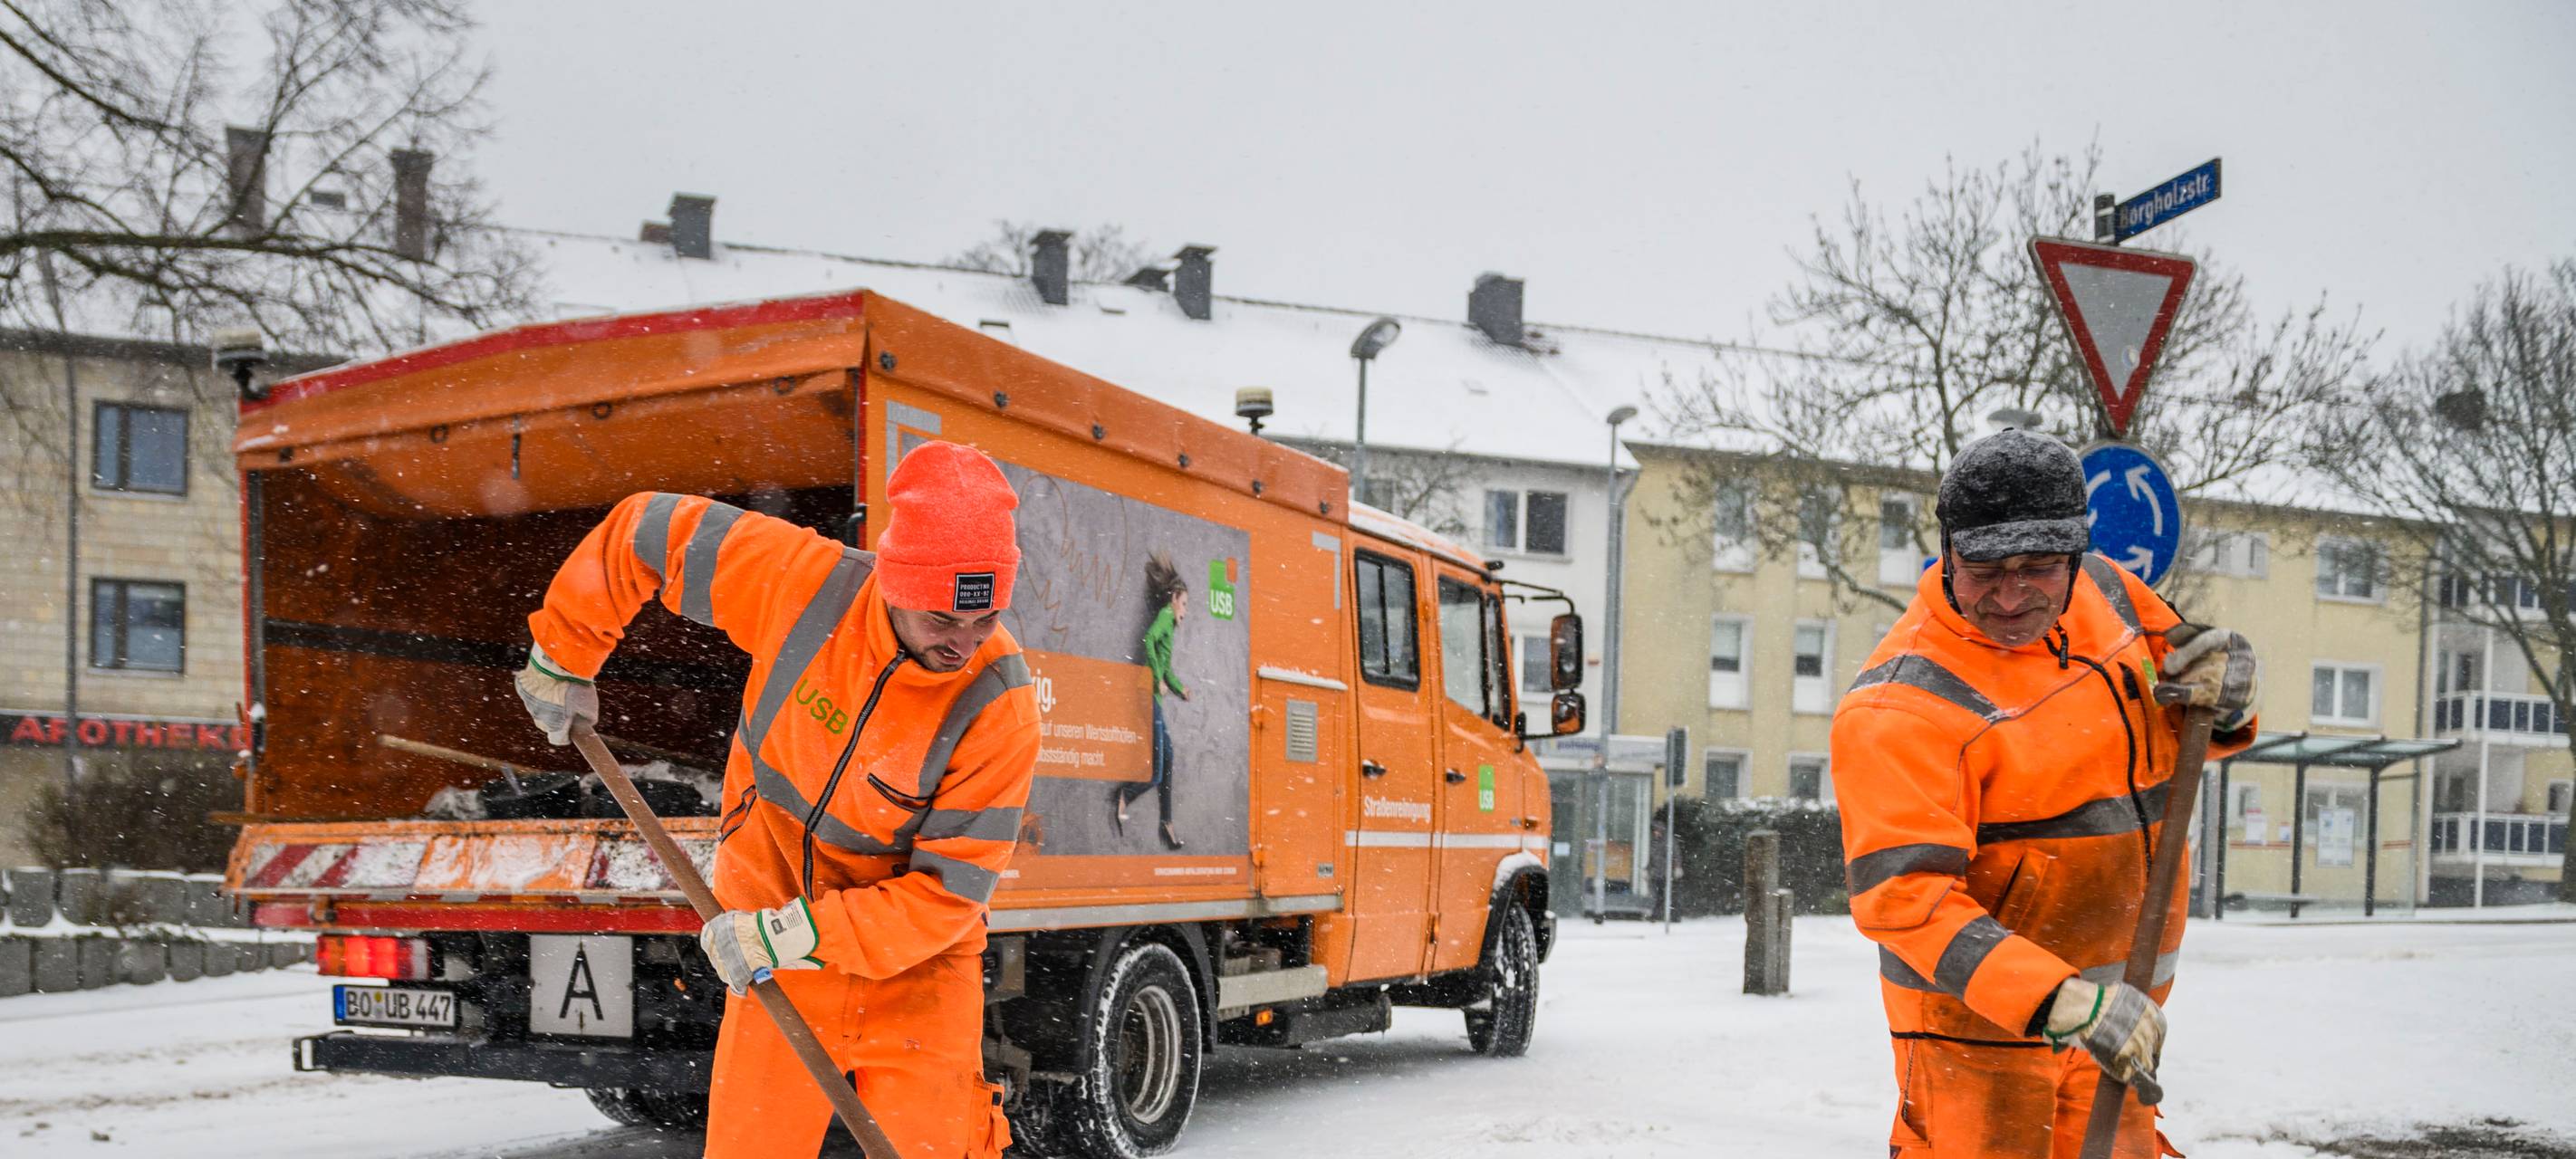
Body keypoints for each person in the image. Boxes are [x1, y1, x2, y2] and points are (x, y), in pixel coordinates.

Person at [513, 441, 1041, 1159]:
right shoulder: (805, 585)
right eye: (943, 620)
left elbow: (947, 896)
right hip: (778, 958)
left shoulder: (997, 703)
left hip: (916, 973)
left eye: (985, 619)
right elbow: (646, 532)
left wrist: (792, 934)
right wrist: (561, 656)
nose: (965, 643)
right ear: (894, 583)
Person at [1831, 429, 2260, 1159]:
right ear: (1947, 551)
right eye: (1984, 568)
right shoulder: (1899, 707)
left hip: (2117, 1023)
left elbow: (2189, 709)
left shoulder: (2112, 597)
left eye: (2037, 567)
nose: (2010, 592)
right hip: (1976, 1047)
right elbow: (1907, 903)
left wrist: (2230, 696)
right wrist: (2057, 1001)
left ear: (2076, 554)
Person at [1115, 553, 1190, 848]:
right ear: (1173, 599)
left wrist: (1178, 687)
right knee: (1157, 770)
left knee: (1169, 759)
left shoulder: (1170, 625)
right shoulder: (1166, 617)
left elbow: (1165, 664)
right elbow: (1148, 640)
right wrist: (1157, 679)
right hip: (1148, 693)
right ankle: (1125, 795)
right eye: (1183, 604)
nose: (1185, 611)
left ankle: (1167, 822)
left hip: (1154, 692)